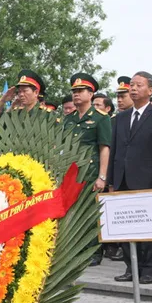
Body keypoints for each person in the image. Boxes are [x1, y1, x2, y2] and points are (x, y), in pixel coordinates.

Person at [108, 71, 152, 284]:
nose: (133, 89)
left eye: (138, 85)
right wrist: (111, 182)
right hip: (122, 180)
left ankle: (149, 269)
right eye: (131, 85)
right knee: (125, 227)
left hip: (147, 181)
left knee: (148, 227)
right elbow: (115, 150)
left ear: (150, 90)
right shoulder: (121, 117)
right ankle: (131, 267)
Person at [62, 73, 112, 266]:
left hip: (91, 172)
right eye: (74, 91)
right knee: (73, 211)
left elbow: (104, 147)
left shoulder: (101, 118)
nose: (76, 94)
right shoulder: (69, 119)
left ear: (91, 93)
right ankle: (75, 250)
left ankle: (94, 252)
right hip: (71, 173)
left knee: (91, 213)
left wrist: (102, 176)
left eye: (80, 91)